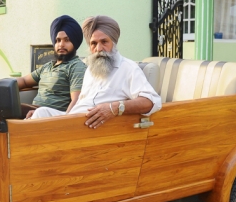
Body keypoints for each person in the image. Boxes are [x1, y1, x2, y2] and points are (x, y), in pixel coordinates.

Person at [30, 15, 162, 128]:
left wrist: (113, 108)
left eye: (104, 42)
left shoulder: (128, 68)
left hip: (94, 127)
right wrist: (67, 117)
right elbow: (80, 103)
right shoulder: (91, 69)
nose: (99, 48)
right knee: (41, 113)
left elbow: (152, 101)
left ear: (114, 42)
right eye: (93, 43)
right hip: (74, 120)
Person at [16, 15, 87, 118]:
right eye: (58, 40)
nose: (61, 45)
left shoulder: (76, 66)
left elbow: (76, 101)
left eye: (66, 40)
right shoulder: (47, 67)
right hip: (34, 112)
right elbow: (24, 81)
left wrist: (64, 123)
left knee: (40, 112)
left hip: (52, 117)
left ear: (74, 43)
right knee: (3, 108)